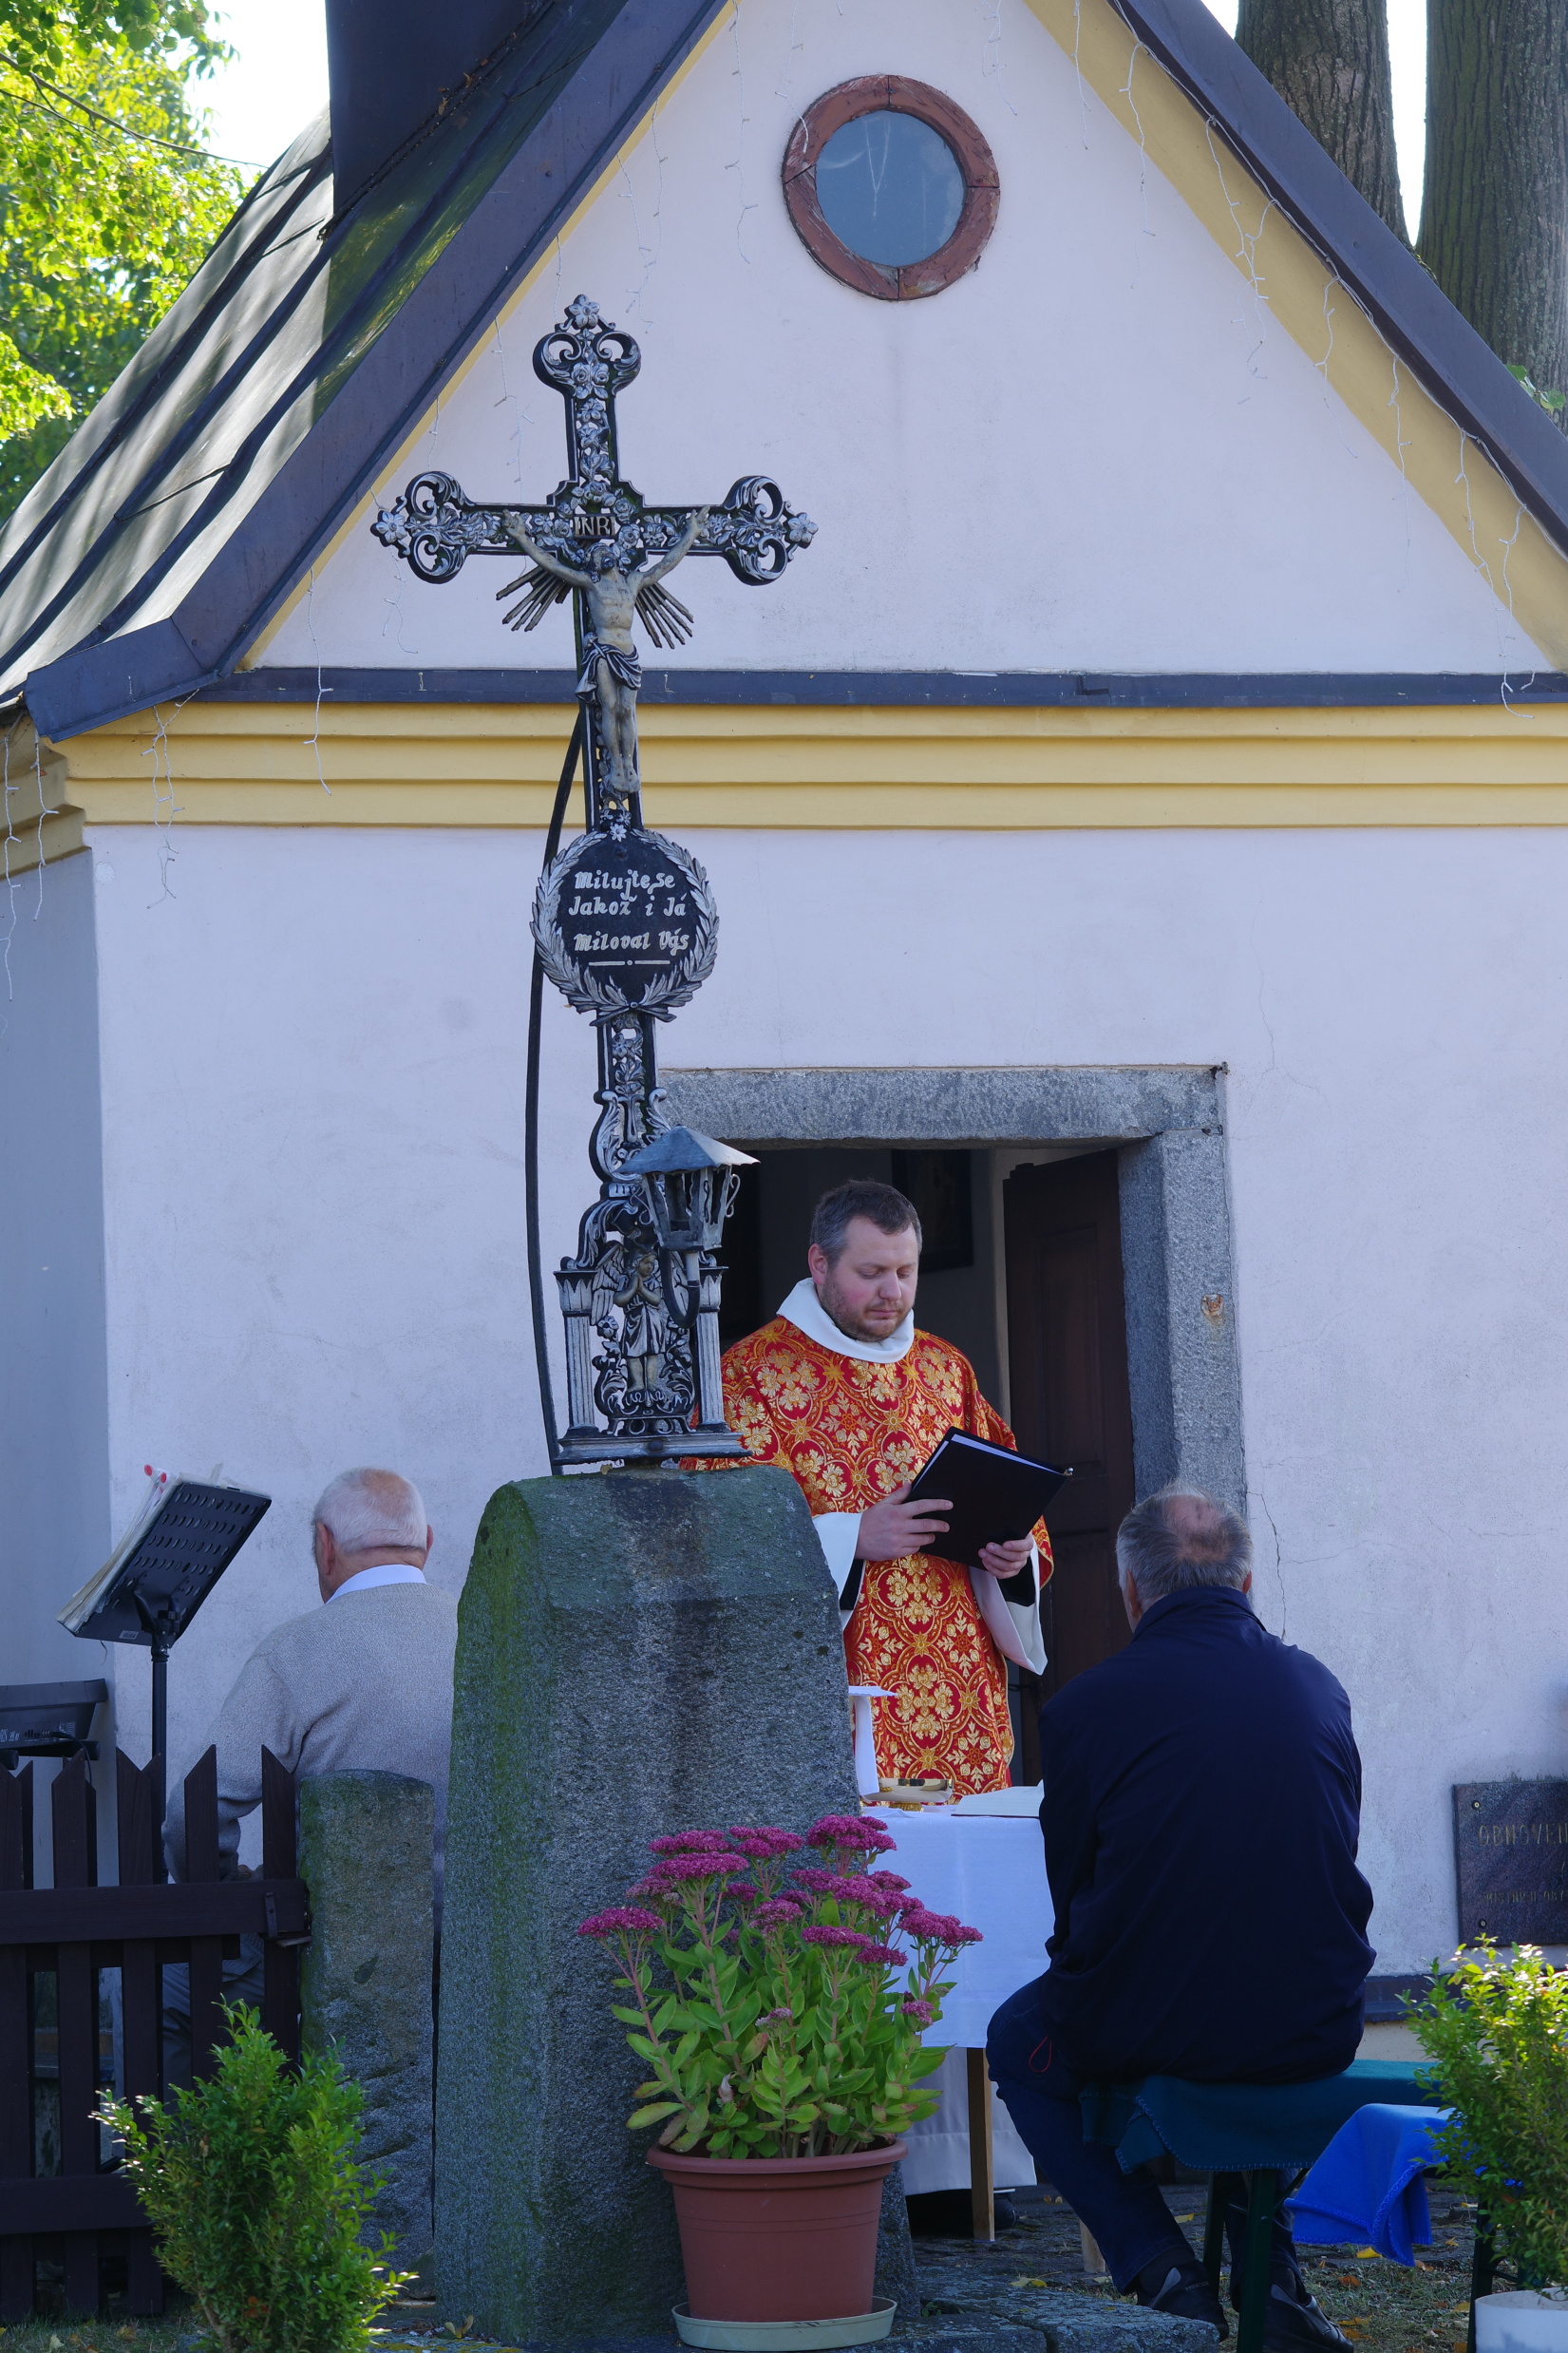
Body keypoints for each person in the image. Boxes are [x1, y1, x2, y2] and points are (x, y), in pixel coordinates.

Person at [987, 1488, 1373, 2348]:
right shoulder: (1317, 1686)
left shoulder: (1083, 1707)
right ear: (1245, 1582)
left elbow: (1072, 1889)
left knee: (1016, 2039)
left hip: (1147, 2019)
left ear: (1131, 1590)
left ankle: (1160, 2267)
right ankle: (1270, 2274)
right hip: (1315, 2017)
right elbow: (1333, 1846)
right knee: (1256, 1999)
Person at [712, 1179, 1050, 1795]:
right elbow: (720, 1536)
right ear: (820, 1263)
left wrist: (1012, 1555)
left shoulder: (946, 1370)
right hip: (838, 1688)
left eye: (905, 1271)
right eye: (870, 1273)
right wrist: (851, 1537)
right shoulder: (749, 1377)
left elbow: (1012, 1498)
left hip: (958, 1689)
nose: (891, 1292)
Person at [161, 1467, 459, 2077]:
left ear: (325, 1545)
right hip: (474, 1942)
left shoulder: (298, 1650)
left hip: (333, 1941)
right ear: (426, 1542)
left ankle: (200, 2141)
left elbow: (195, 1807)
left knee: (160, 1990)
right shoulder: (487, 1632)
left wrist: (232, 1897)